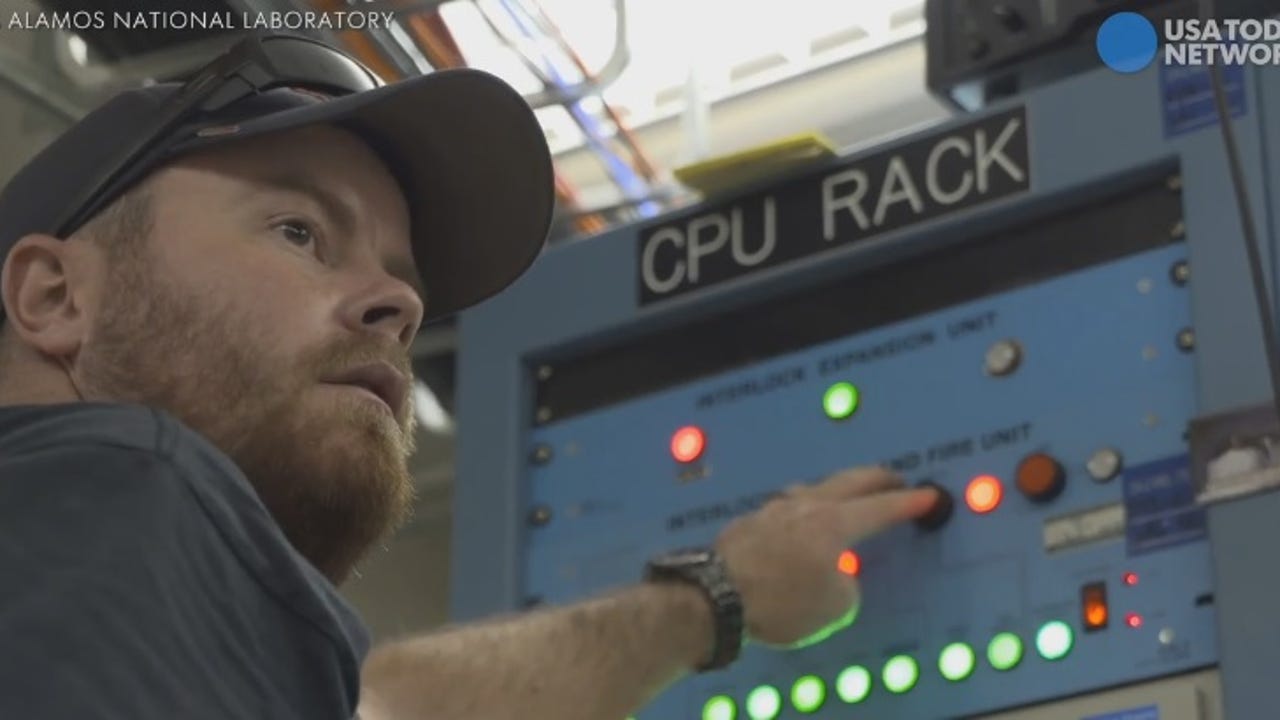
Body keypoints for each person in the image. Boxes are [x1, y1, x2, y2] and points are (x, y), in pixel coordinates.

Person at [0, 33, 939, 720]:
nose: (400, 304)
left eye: (400, 278)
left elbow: (390, 708)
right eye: (299, 231)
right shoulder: (128, 477)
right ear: (54, 295)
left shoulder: (111, 600)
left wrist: (716, 597)